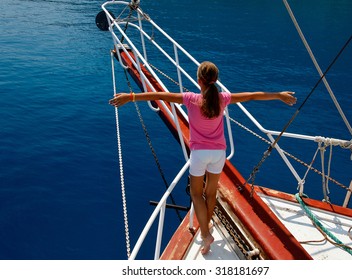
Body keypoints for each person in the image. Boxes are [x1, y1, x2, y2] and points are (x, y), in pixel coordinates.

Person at [109, 61, 297, 255]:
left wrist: (130, 97)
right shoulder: (223, 99)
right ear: (215, 80)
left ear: (199, 81)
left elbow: (158, 95)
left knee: (196, 194)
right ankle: (207, 224)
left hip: (199, 154)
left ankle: (206, 234)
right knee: (211, 192)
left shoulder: (190, 99)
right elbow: (251, 96)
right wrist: (278, 95)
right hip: (218, 154)